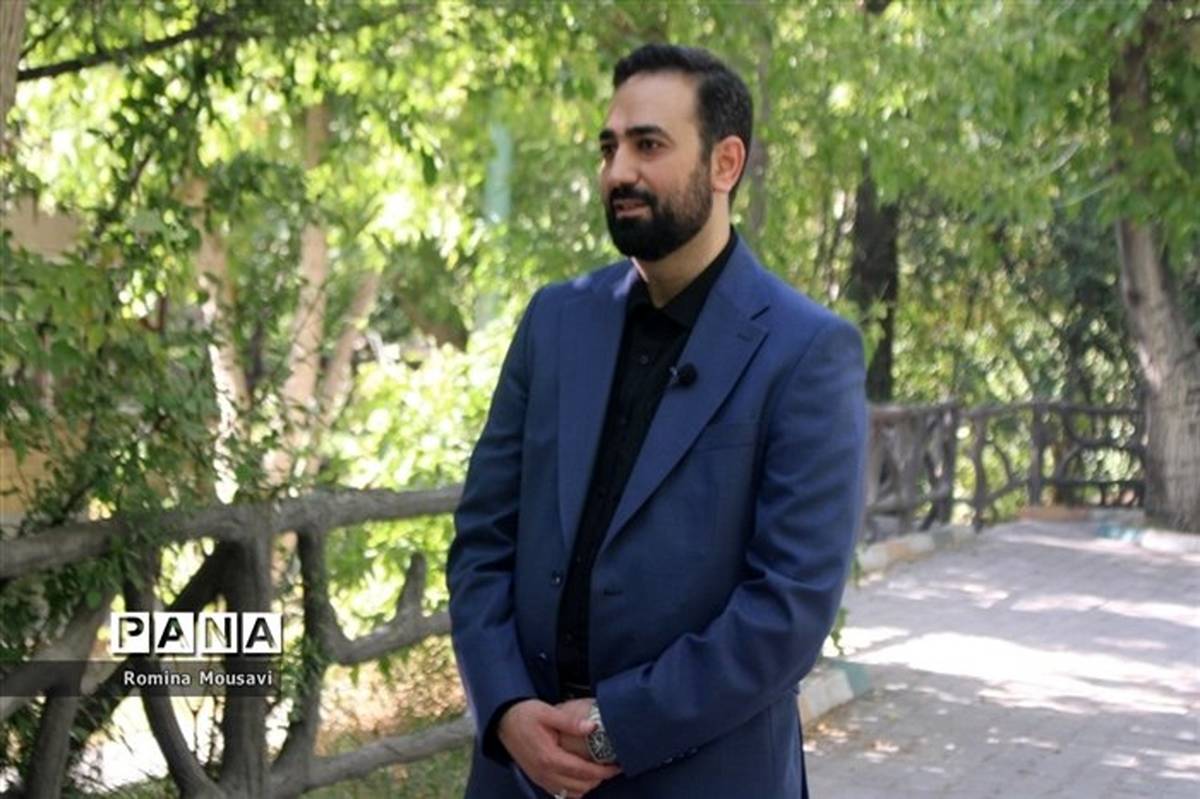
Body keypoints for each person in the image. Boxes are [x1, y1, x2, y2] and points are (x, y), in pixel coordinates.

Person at [447, 43, 867, 799]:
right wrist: (506, 710)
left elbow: (788, 609)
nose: (619, 171)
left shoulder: (808, 351)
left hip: (706, 777)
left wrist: (616, 727)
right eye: (609, 148)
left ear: (725, 162)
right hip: (518, 777)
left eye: (648, 145)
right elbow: (483, 540)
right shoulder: (554, 320)